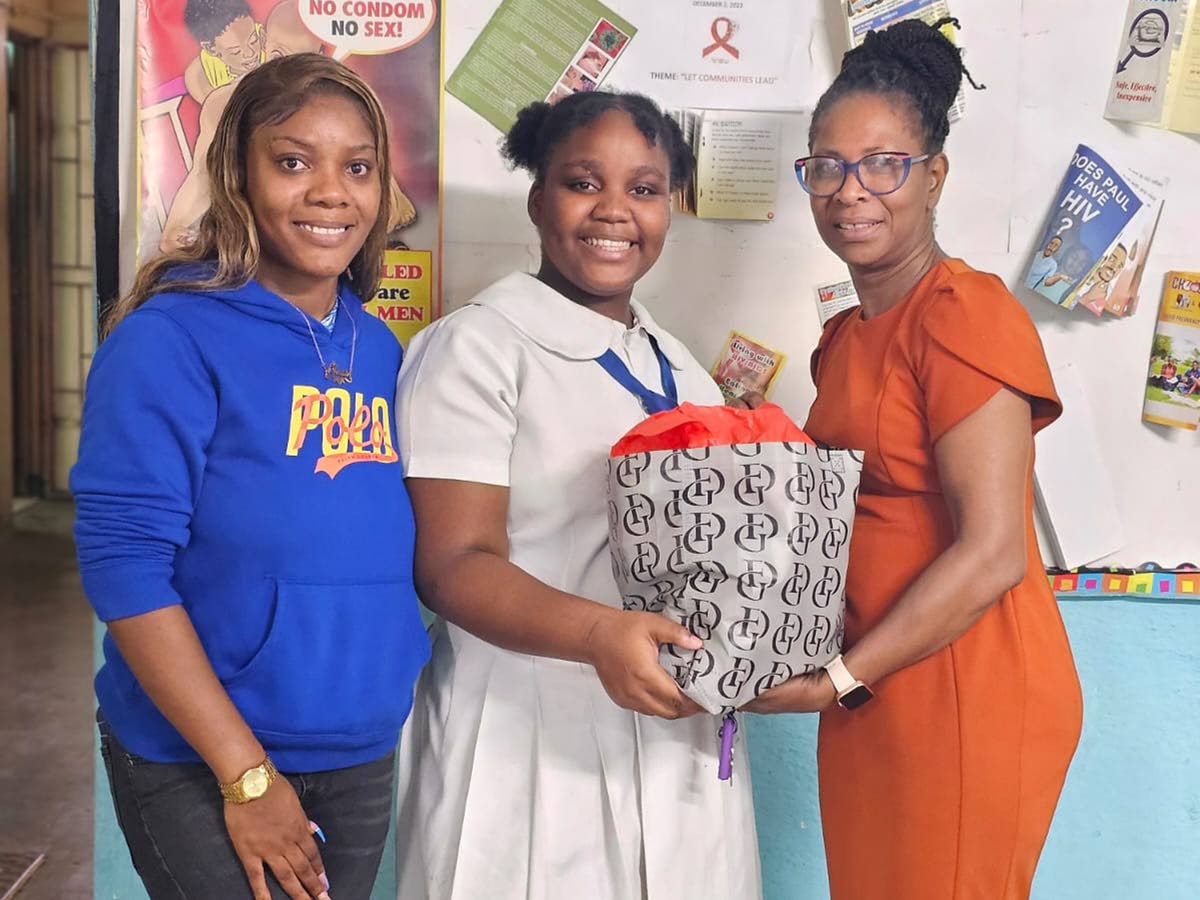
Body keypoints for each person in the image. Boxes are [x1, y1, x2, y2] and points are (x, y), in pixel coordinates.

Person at [72, 54, 430, 900]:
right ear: (238, 172)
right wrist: (247, 777)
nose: (331, 192)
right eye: (293, 161)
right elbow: (123, 566)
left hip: (356, 749)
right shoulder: (170, 338)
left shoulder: (375, 346)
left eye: (359, 167)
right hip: (204, 758)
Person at [392, 91, 762, 900]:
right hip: (525, 732)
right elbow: (453, 564)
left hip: (675, 729)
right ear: (538, 198)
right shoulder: (476, 349)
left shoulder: (679, 364)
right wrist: (599, 635)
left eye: (645, 188)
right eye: (582, 182)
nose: (615, 212)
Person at [744, 19, 1082, 900]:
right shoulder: (840, 339)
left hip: (965, 683)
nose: (851, 191)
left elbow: (993, 551)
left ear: (933, 176)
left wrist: (840, 679)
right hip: (875, 683)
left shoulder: (965, 313)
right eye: (827, 166)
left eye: (884, 163)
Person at [162, 1, 418, 252]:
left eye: (253, 41)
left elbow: (392, 209)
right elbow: (201, 175)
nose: (251, 54)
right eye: (238, 52)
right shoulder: (221, 101)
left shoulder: (339, 108)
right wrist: (176, 228)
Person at [183, 0, 264, 103]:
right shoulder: (199, 74)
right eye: (236, 51)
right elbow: (219, 113)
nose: (250, 54)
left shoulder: (273, 40)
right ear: (211, 49)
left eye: (253, 41)